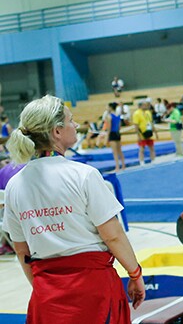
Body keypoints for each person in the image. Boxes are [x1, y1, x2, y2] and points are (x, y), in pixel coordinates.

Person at [1, 95, 145, 322]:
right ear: (57, 131)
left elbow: (22, 251)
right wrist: (135, 274)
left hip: (47, 293)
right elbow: (113, 236)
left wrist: (44, 287)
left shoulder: (14, 186)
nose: (76, 125)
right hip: (93, 289)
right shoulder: (83, 175)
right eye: (71, 120)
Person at [131, 100, 157, 166]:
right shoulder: (136, 113)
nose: (146, 106)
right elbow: (136, 125)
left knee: (152, 147)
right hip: (142, 134)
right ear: (140, 106)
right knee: (142, 148)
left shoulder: (148, 112)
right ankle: (142, 162)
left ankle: (153, 160)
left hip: (149, 132)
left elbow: (151, 122)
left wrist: (155, 132)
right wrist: (138, 135)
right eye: (144, 105)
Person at [105, 102, 125, 172]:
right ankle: (123, 165)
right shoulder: (118, 115)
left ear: (110, 107)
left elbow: (109, 128)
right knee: (120, 151)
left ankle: (117, 167)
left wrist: (107, 138)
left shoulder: (109, 116)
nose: (106, 108)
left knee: (115, 152)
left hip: (112, 134)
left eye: (107, 107)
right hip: (117, 133)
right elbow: (119, 127)